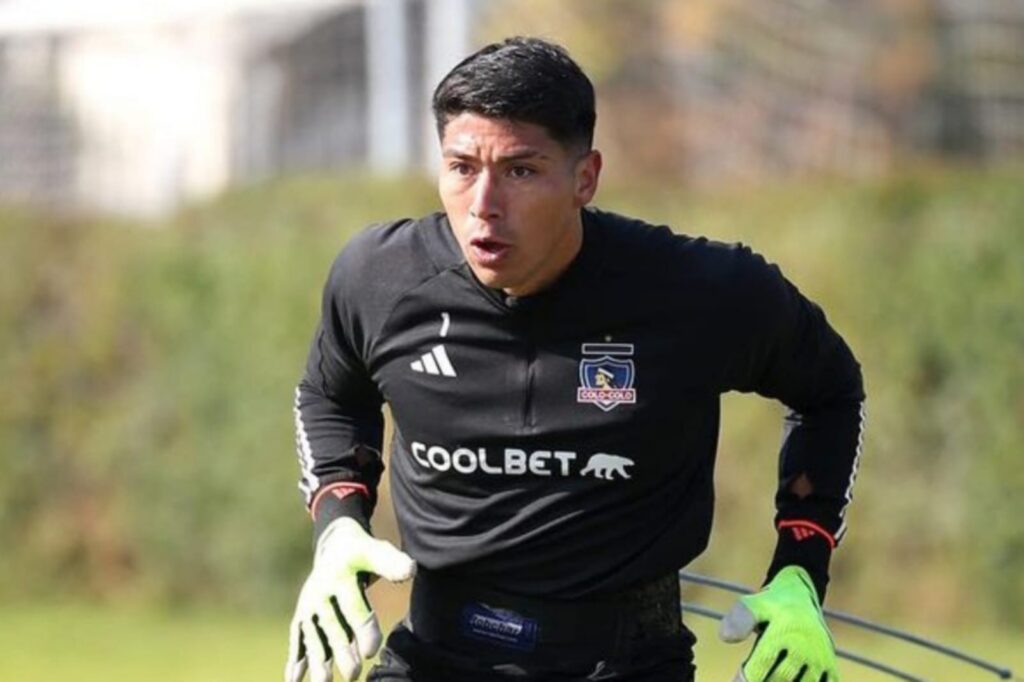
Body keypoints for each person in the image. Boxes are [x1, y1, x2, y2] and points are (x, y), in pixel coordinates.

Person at [285, 36, 865, 682]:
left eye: (521, 170)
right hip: (434, 654)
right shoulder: (379, 279)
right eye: (462, 167)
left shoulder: (701, 292)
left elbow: (831, 391)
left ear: (584, 178)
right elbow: (331, 392)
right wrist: (338, 525)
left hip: (625, 663)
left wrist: (800, 571)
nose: (484, 205)